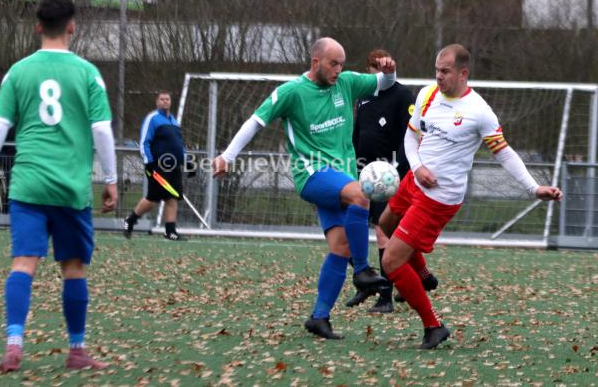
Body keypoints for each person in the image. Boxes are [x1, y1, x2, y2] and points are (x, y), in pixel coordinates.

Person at [379, 43, 563, 349]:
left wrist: (533, 188)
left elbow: (504, 153)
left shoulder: (479, 112)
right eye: (436, 70)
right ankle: (422, 273)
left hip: (438, 198)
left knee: (391, 261)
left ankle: (433, 326)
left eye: (445, 71)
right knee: (384, 224)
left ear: (463, 73)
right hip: (415, 179)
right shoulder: (427, 94)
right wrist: (418, 167)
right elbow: (410, 137)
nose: (439, 76)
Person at [212, 37, 396, 340]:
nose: (338, 70)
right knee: (362, 194)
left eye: (341, 64)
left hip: (341, 178)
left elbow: (385, 82)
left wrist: (389, 71)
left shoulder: (346, 83)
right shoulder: (292, 91)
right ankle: (363, 271)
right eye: (333, 64)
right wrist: (227, 156)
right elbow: (255, 121)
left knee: (340, 247)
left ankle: (319, 318)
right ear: (316, 62)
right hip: (312, 175)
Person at [0, 0, 117, 372]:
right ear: (72, 26)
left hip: (28, 185)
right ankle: (76, 351)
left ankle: (14, 344)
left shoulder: (17, 72)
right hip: (71, 187)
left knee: (23, 263)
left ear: (38, 27)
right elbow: (102, 129)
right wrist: (111, 179)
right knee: (74, 267)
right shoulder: (88, 73)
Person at [346, 48, 438, 313]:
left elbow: (411, 137)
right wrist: (352, 164)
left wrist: (397, 169)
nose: (377, 73)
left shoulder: (403, 96)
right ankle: (413, 277)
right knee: (353, 228)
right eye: (373, 68)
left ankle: (385, 294)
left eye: (380, 68)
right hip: (363, 172)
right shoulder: (365, 96)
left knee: (383, 231)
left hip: (387, 175)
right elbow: (358, 133)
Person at [123, 90, 193, 241]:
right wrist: (149, 163)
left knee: (172, 197)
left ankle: (170, 231)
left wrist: (188, 162)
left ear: (170, 102)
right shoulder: (152, 119)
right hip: (158, 167)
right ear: (157, 102)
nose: (165, 101)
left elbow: (179, 145)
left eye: (167, 99)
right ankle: (130, 220)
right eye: (162, 99)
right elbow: (144, 142)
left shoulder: (174, 121)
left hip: (174, 168)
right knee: (153, 199)